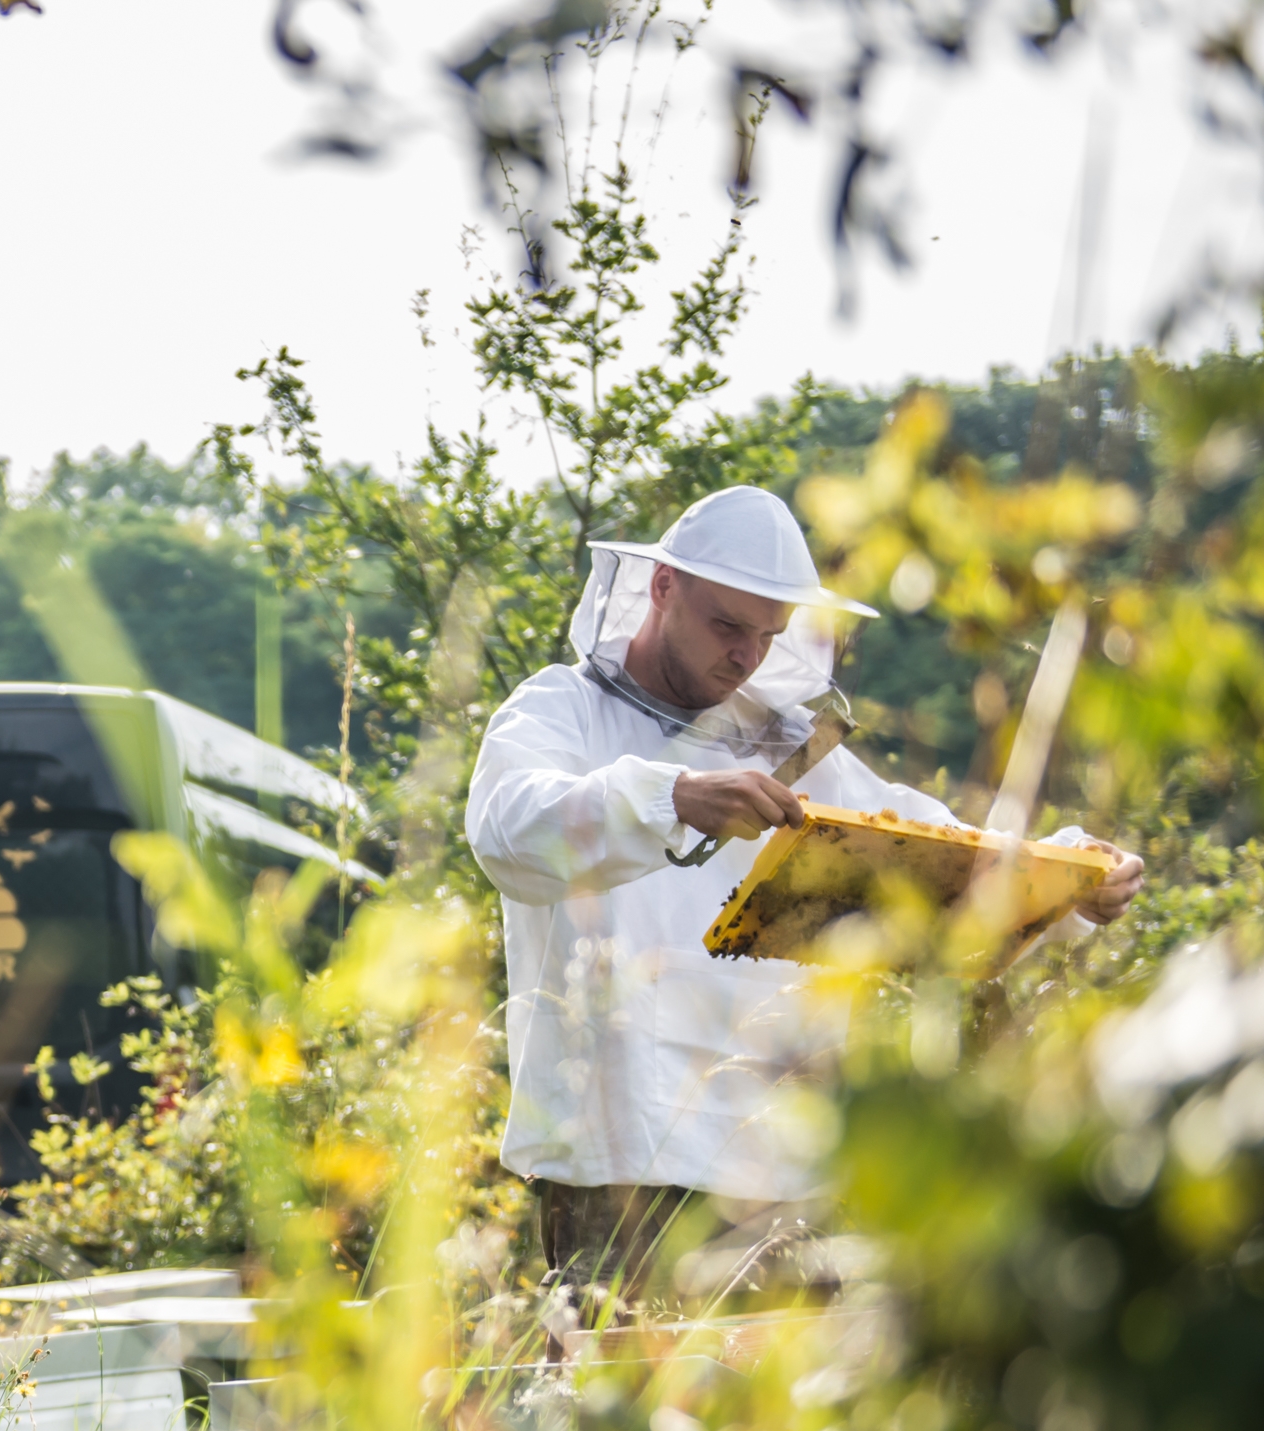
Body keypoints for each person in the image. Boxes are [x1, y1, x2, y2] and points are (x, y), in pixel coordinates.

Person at [464, 483, 1142, 1300]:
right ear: (662, 586)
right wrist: (671, 794)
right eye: (726, 625)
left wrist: (1070, 878)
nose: (746, 656)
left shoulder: (788, 746)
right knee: (612, 1414)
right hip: (618, 1167)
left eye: (767, 635)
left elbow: (940, 857)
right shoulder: (559, 708)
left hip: (780, 1175)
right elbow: (509, 831)